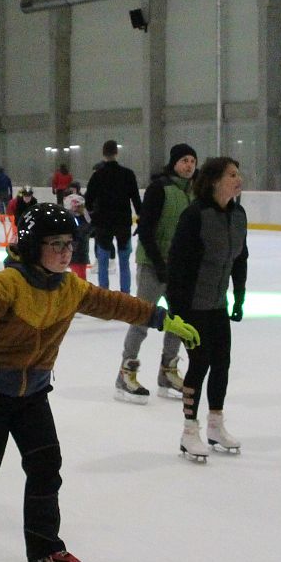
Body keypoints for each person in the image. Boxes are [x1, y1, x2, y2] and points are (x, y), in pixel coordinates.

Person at [0, 201, 200, 562]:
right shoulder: (9, 284)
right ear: (33, 245)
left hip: (33, 396)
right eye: (56, 244)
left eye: (70, 243)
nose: (66, 251)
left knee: (45, 467)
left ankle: (44, 550)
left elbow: (114, 304)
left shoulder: (70, 288)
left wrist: (161, 319)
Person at [166, 156, 248, 460]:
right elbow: (177, 265)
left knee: (222, 362)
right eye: (232, 175)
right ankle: (189, 430)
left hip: (217, 305)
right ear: (214, 181)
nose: (238, 180)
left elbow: (241, 258)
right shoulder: (195, 215)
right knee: (199, 364)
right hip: (192, 305)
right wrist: (177, 310)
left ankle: (215, 424)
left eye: (238, 174)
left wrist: (239, 295)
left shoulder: (238, 215)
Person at [117, 143, 198, 402]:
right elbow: (146, 230)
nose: (189, 165)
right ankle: (126, 373)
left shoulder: (194, 192)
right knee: (142, 318)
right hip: (153, 265)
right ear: (174, 163)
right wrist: (159, 264)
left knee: (178, 320)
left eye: (192, 161)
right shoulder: (159, 188)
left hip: (179, 269)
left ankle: (168, 372)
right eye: (184, 160)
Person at [84, 140, 143, 293]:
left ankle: (105, 295)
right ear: (117, 153)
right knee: (124, 261)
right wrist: (141, 218)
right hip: (123, 222)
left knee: (103, 261)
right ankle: (125, 295)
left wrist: (93, 216)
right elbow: (136, 199)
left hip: (103, 223)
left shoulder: (97, 175)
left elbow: (88, 200)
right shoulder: (128, 174)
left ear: (103, 154)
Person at [61, 186, 90, 280]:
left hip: (79, 255)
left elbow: (85, 231)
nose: (75, 207)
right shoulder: (69, 218)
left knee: (80, 278)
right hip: (72, 254)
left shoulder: (83, 219)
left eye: (77, 205)